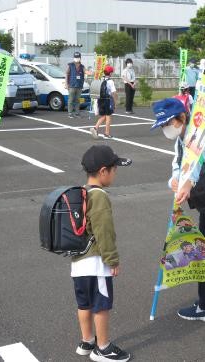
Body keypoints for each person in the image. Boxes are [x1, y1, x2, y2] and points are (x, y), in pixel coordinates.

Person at [151, 98, 205, 322]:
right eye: (162, 125)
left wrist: (187, 183)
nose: (166, 129)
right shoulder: (182, 138)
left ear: (182, 118)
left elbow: (196, 162)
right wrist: (175, 179)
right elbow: (178, 163)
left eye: (168, 123)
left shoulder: (204, 139)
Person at [74, 145, 132, 361]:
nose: (115, 173)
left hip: (78, 262)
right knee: (101, 305)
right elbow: (104, 232)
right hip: (96, 263)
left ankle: (87, 341)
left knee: (84, 304)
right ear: (103, 171)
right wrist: (112, 260)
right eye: (114, 168)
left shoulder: (81, 192)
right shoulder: (99, 197)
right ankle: (103, 347)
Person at [91, 65, 118, 139]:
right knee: (108, 116)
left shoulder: (100, 79)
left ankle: (95, 128)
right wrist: (115, 101)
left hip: (100, 100)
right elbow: (114, 93)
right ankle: (106, 134)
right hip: (107, 100)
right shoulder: (110, 81)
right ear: (110, 73)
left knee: (104, 116)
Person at [65, 52, 87, 119]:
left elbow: (86, 72)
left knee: (77, 100)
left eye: (78, 57)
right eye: (76, 57)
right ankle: (70, 113)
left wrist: (94, 72)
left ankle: (77, 113)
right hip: (72, 85)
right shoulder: (70, 65)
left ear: (80, 58)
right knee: (71, 100)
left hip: (79, 85)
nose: (77, 58)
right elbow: (66, 74)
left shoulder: (82, 66)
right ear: (74, 57)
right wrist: (66, 84)